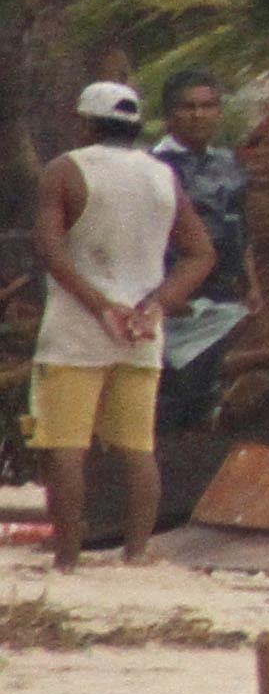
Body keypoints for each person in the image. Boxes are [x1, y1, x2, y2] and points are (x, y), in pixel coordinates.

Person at [29, 80, 213, 570]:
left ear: (85, 122)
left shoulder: (65, 170)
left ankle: (68, 558)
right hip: (142, 332)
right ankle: (136, 553)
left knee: (65, 446)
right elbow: (201, 254)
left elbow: (51, 251)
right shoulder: (162, 176)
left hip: (76, 329)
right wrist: (157, 304)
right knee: (137, 446)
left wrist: (99, 305)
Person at [147, 70, 257, 479]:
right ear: (170, 115)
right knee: (171, 393)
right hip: (174, 296)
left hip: (223, 297)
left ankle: (194, 479)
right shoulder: (154, 167)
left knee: (210, 390)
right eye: (188, 107)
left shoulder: (230, 164)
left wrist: (251, 282)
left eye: (207, 106)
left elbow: (241, 227)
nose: (198, 115)